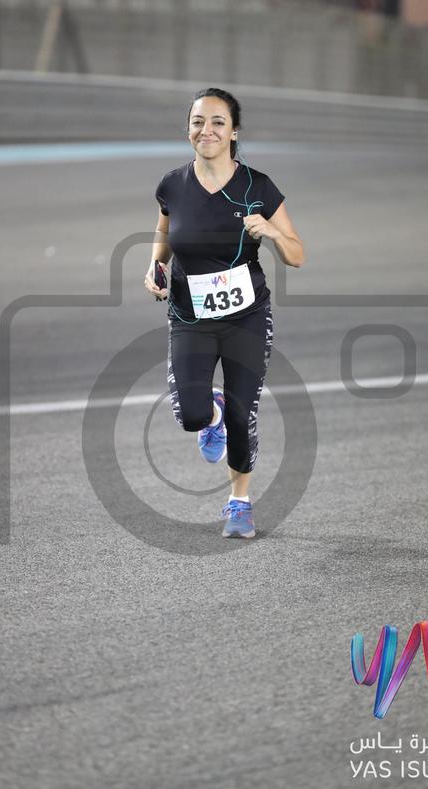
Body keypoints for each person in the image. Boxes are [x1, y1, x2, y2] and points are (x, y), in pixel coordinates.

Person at [145, 87, 304, 538]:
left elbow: (297, 255)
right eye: (198, 122)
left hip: (245, 317)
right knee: (191, 415)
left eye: (218, 122)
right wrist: (155, 266)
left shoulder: (258, 187)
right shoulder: (172, 185)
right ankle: (210, 415)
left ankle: (240, 502)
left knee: (242, 414)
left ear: (234, 131)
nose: (207, 130)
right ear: (188, 130)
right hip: (190, 316)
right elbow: (165, 230)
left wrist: (271, 231)